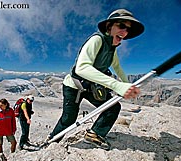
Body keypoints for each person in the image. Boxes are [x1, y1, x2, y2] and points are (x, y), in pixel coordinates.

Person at [46, 9, 144, 150]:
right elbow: (82, 68)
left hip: (90, 87)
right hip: (73, 86)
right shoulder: (96, 40)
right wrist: (117, 86)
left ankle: (95, 134)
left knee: (113, 107)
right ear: (110, 26)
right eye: (121, 26)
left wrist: (127, 85)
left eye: (128, 29)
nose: (125, 32)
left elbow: (117, 66)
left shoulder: (112, 48)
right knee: (69, 119)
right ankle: (52, 141)